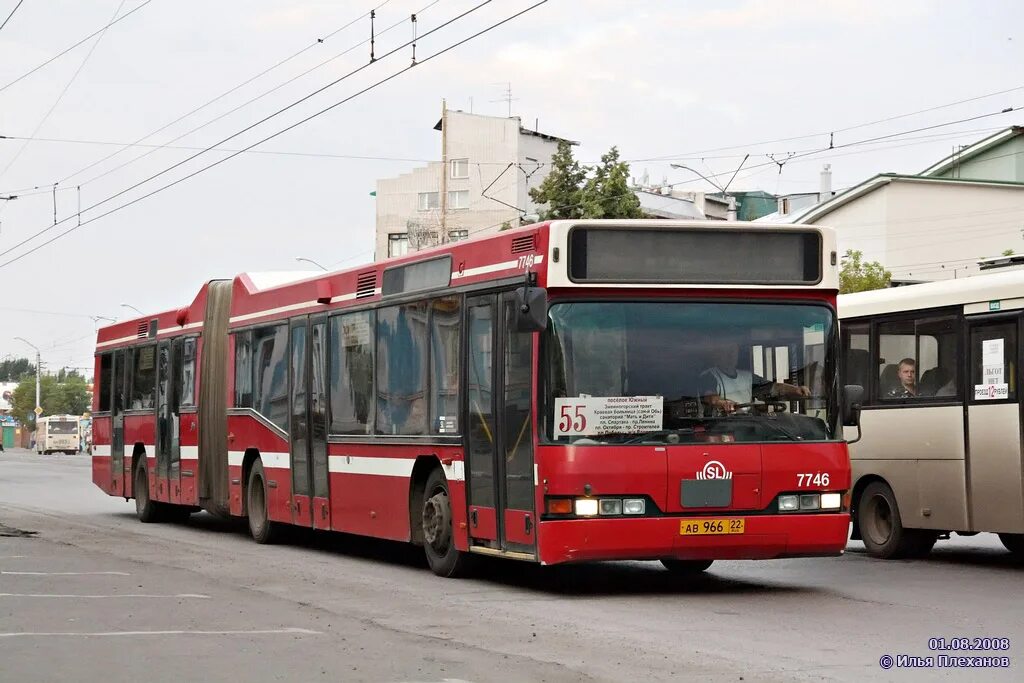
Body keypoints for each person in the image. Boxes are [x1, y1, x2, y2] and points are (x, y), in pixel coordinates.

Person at [701, 337, 810, 414]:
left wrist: (796, 390)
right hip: (721, 427)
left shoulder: (748, 377)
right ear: (717, 354)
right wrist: (724, 403)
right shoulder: (709, 375)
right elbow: (710, 398)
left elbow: (773, 387)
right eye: (726, 352)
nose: (731, 355)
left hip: (748, 423)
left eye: (733, 351)